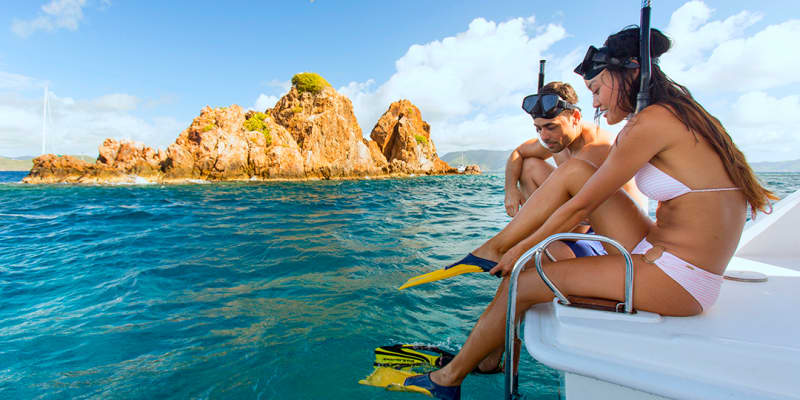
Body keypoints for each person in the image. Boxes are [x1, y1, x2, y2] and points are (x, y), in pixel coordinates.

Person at [390, 26, 777, 400]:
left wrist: (521, 251)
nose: (595, 103)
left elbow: (582, 205)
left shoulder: (652, 122)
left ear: (631, 73)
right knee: (575, 172)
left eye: (596, 89)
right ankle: (491, 283)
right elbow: (570, 183)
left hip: (681, 278)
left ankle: (447, 379)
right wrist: (518, 242)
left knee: (521, 282)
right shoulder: (675, 113)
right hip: (656, 246)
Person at [505, 81, 646, 260]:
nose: (544, 136)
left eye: (551, 126)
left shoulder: (597, 150)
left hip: (613, 237)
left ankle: (545, 243)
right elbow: (518, 153)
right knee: (530, 165)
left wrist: (523, 243)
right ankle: (537, 235)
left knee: (525, 255)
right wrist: (511, 190)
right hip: (578, 220)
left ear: (575, 117)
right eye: (538, 128)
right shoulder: (558, 140)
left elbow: (580, 224)